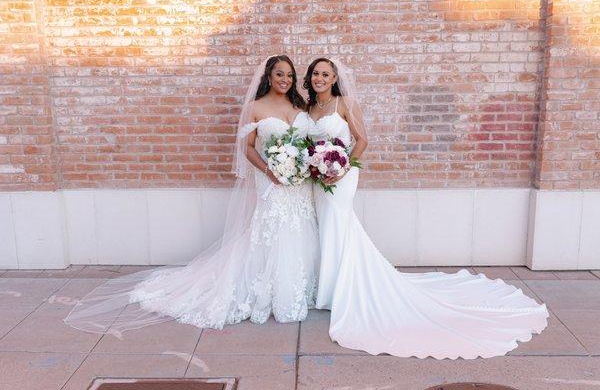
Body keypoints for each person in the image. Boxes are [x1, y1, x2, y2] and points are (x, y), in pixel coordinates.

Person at [304, 57, 549, 359]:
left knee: (339, 224)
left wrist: (341, 167)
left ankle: (341, 290)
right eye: (316, 73)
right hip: (317, 179)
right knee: (324, 227)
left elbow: (362, 140)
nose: (319, 78)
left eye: (325, 74)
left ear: (333, 79)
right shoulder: (309, 108)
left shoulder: (343, 103)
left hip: (341, 177)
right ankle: (327, 286)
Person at [63, 55, 320, 333]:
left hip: (299, 183)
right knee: (273, 229)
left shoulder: (301, 106)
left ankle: (301, 288)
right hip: (271, 180)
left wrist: (306, 164)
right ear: (268, 77)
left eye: (290, 76)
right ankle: (270, 294)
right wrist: (269, 171)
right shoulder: (255, 107)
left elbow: (309, 142)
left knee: (301, 228)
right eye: (279, 74)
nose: (285, 80)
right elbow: (247, 149)